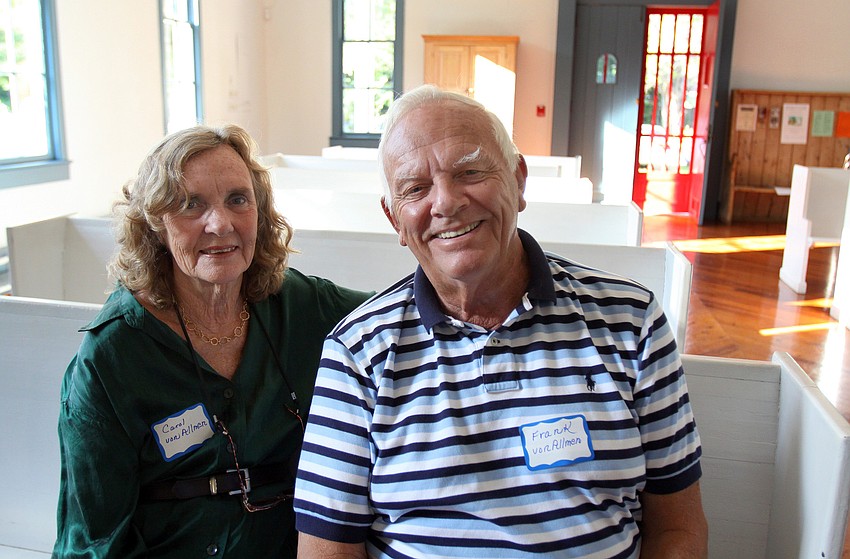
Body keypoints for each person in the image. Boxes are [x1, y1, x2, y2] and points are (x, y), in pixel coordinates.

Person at [293, 85, 708, 558]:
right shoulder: (357, 354)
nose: (446, 203)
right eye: (416, 188)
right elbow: (327, 550)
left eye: (470, 171)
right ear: (395, 221)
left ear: (518, 179)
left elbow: (678, 528)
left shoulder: (630, 322)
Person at [52, 124, 372, 558]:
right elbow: (94, 540)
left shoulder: (300, 306)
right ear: (155, 224)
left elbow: (398, 313)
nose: (220, 224)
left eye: (238, 200)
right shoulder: (111, 359)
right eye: (190, 204)